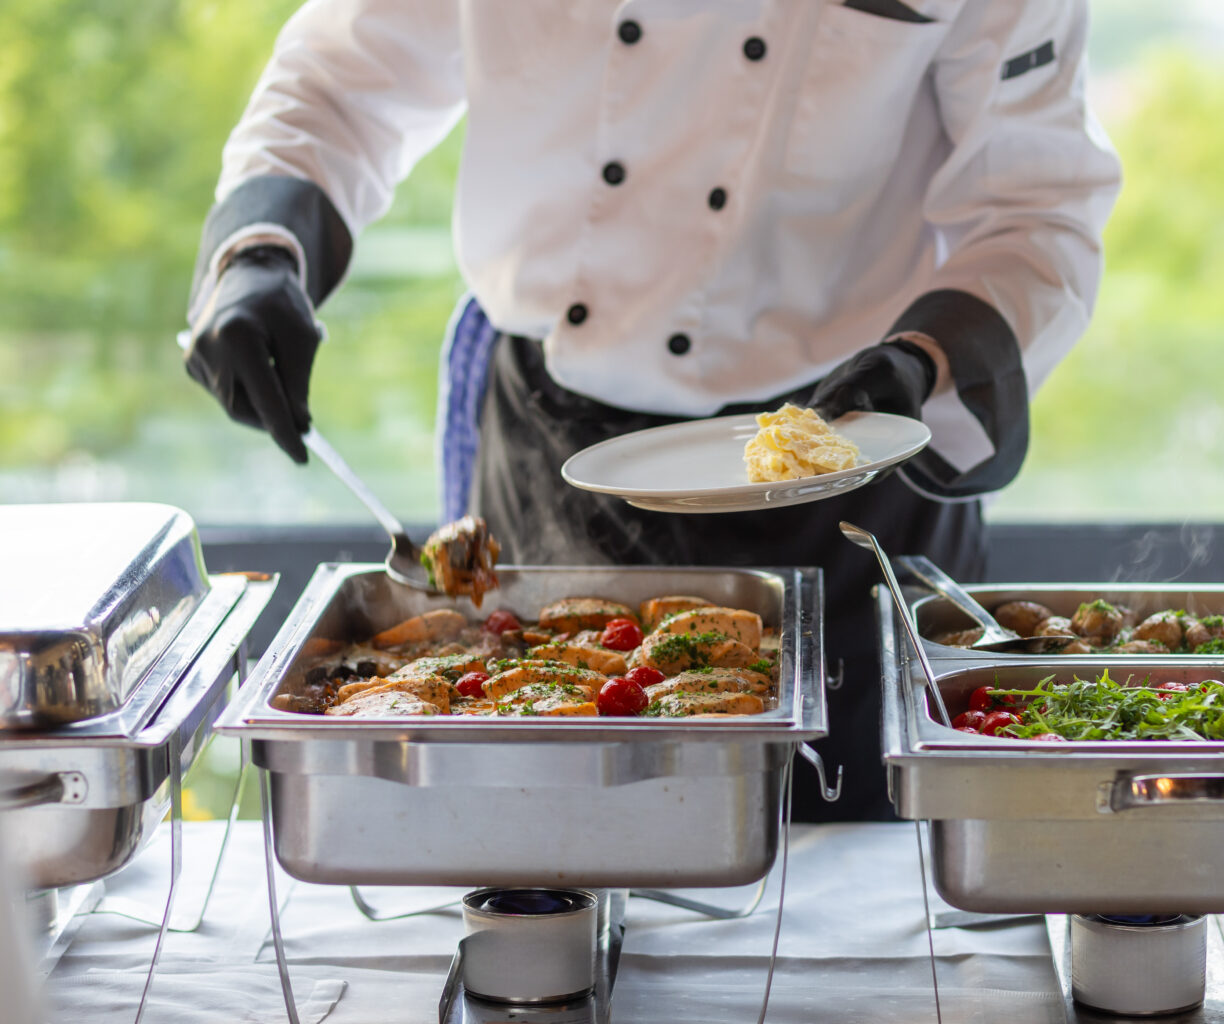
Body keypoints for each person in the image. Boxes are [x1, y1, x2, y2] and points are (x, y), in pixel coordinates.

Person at [184, 0, 1120, 820]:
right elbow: (345, 80)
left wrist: (926, 360)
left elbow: (1034, 204)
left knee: (866, 877)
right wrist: (261, 249)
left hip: (851, 452)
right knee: (538, 841)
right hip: (550, 445)